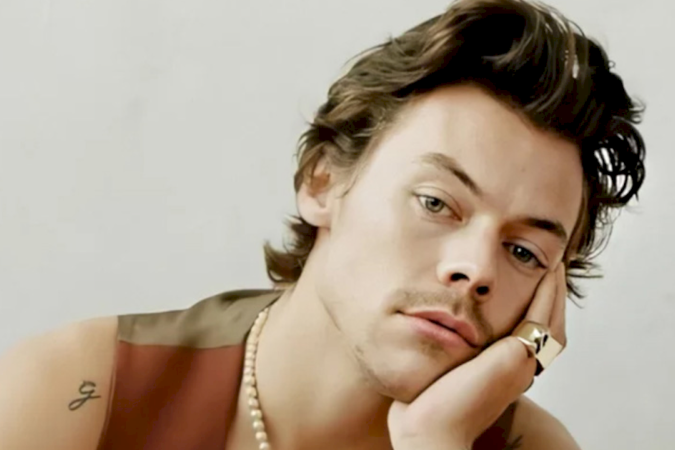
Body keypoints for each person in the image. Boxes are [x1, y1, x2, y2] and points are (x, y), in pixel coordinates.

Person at [0, 0, 646, 449]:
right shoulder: (84, 391)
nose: (476, 269)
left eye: (524, 251)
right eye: (435, 203)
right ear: (322, 181)